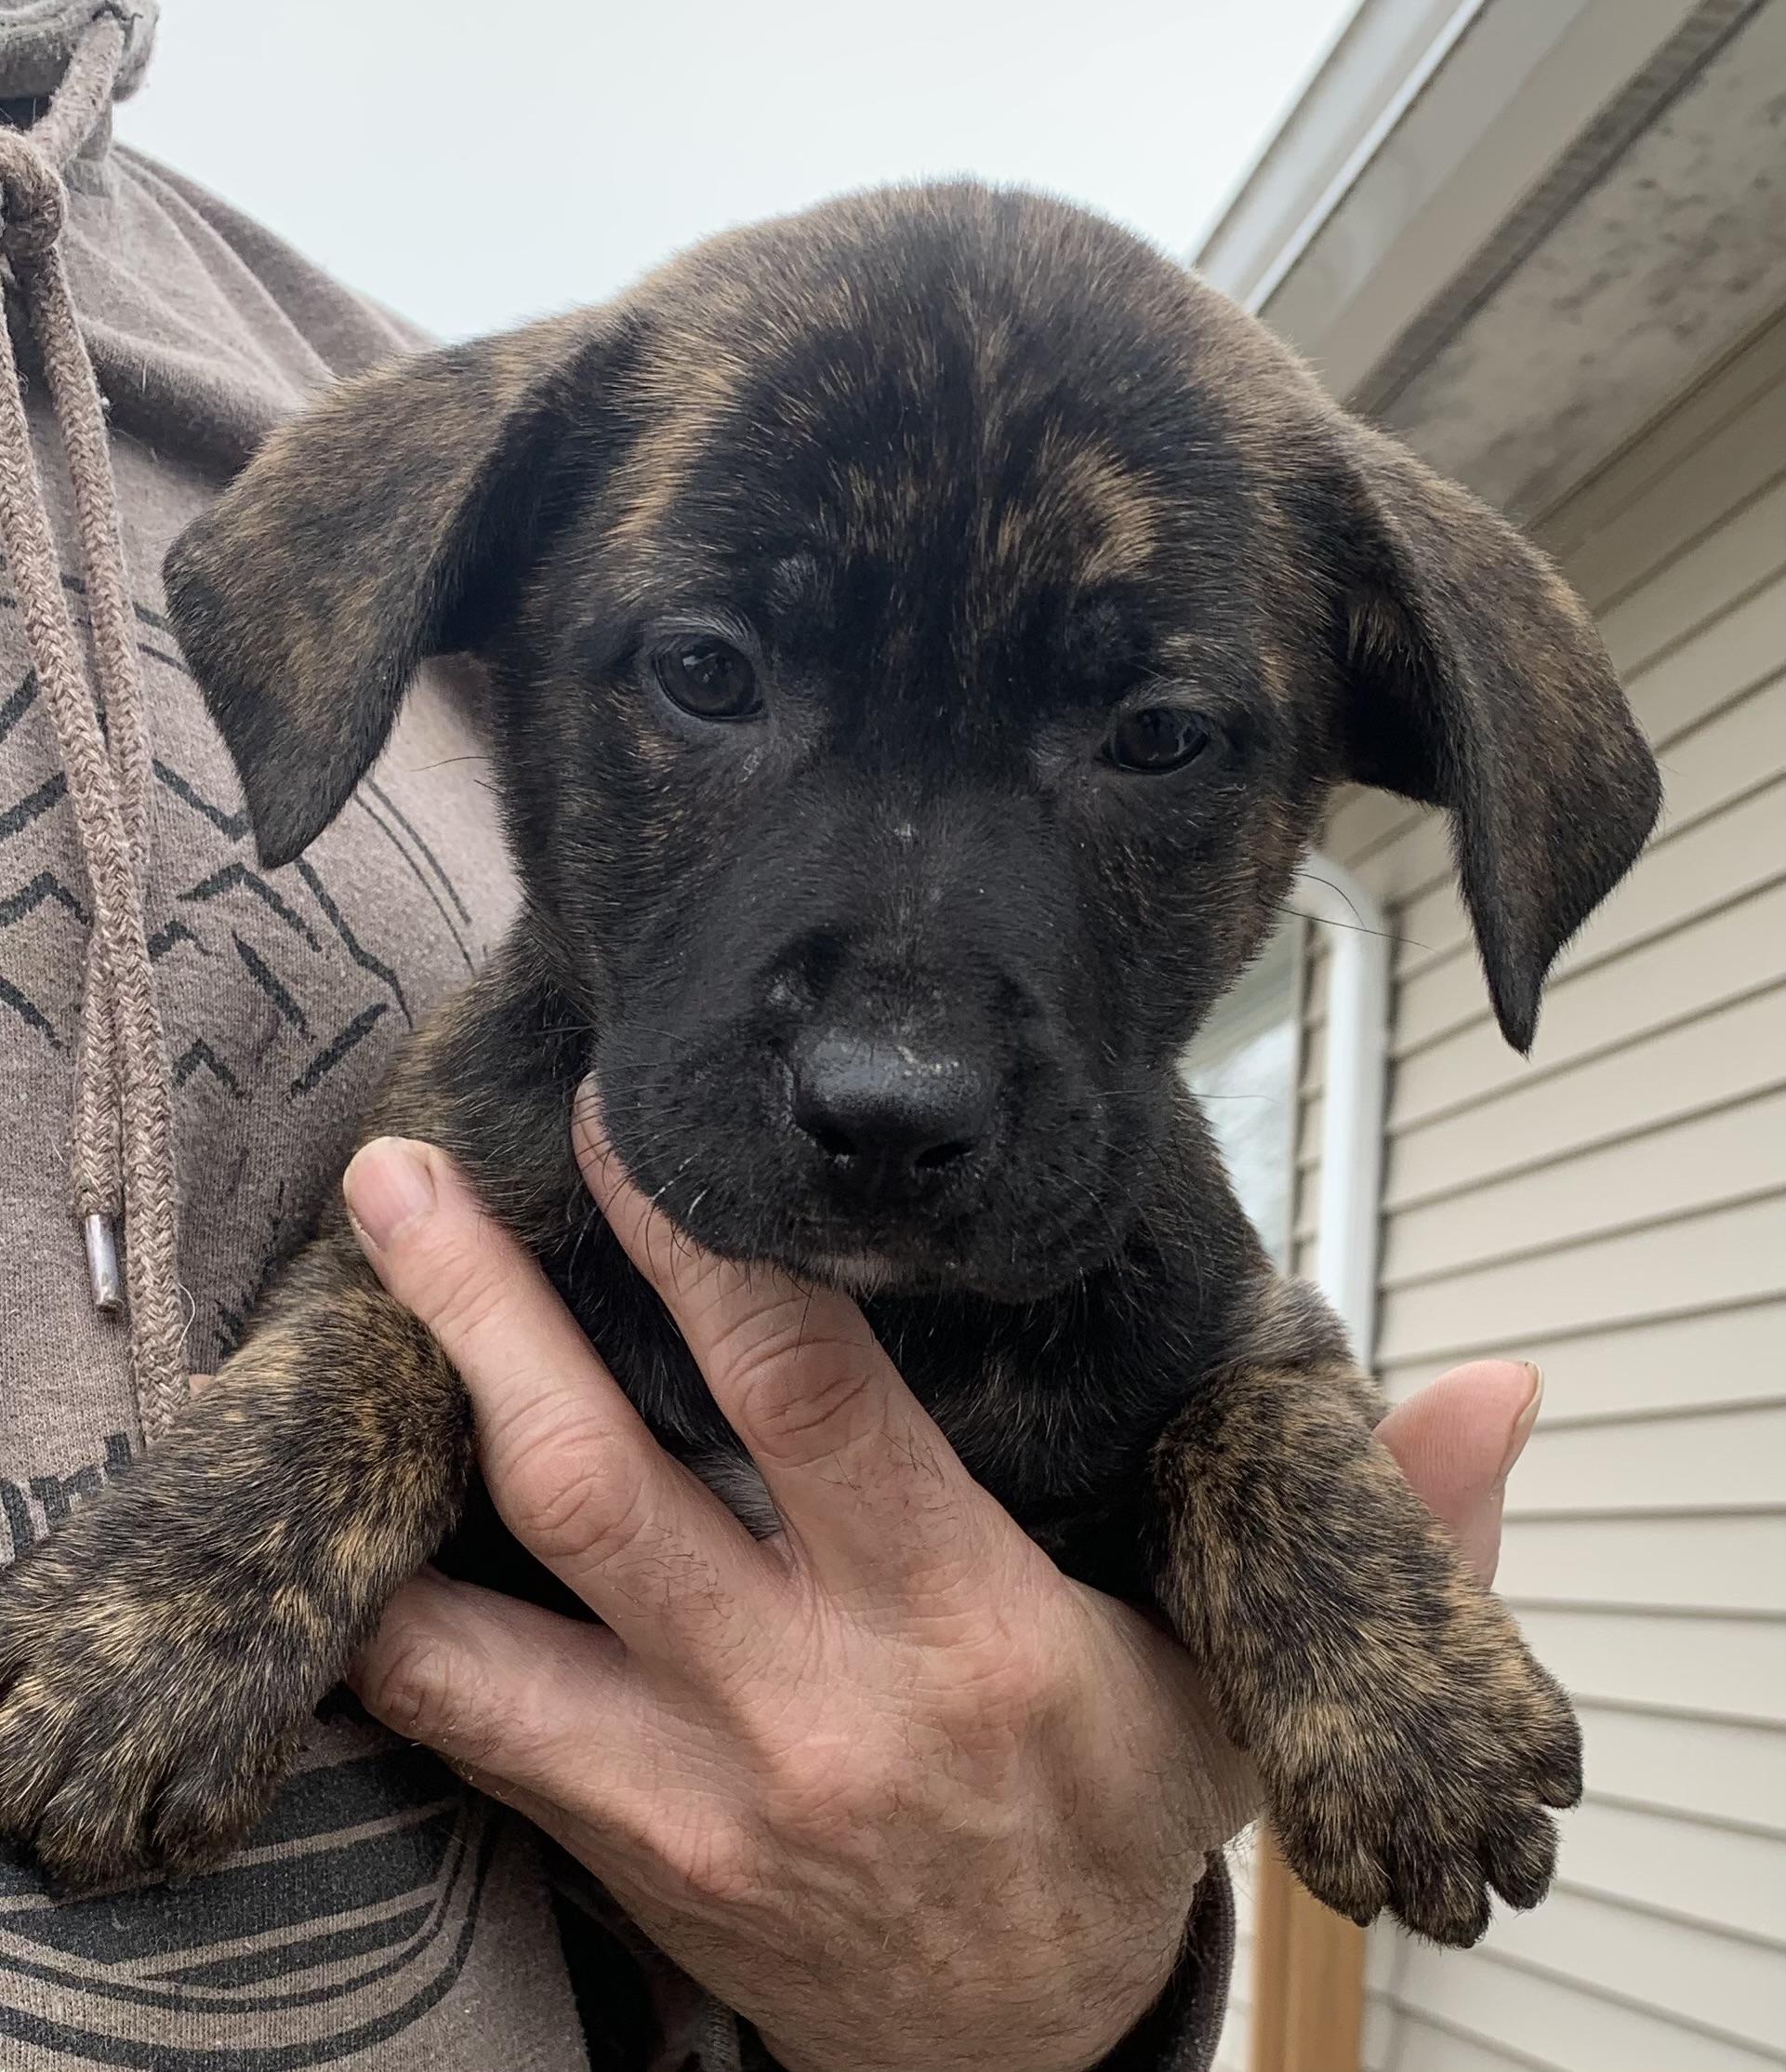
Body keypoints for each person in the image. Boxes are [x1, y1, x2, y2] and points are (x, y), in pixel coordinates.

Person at [0, 7, 1543, 2066]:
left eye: (1153, 736)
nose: (896, 1054)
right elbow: (393, 1301)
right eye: (712, 677)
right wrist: (259, 1511)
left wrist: (1289, 1575)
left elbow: (1240, 1387)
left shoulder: (258, 326)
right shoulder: (502, 1077)